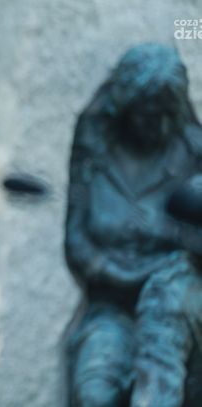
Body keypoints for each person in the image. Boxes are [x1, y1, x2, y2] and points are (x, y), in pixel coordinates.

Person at [65, 43, 202, 407]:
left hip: (174, 302)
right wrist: (124, 274)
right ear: (127, 108)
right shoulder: (95, 147)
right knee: (95, 392)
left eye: (167, 114)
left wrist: (169, 262)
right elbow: (75, 241)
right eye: (148, 114)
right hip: (112, 306)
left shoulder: (192, 153)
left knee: (163, 373)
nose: (158, 125)